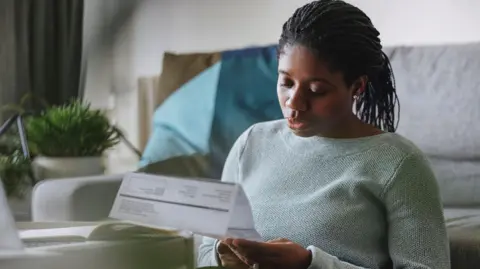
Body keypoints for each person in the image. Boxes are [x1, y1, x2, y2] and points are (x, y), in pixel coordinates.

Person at [198, 0, 450, 268]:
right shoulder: (251, 143)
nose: (294, 103)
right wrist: (220, 257)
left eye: (317, 90)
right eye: (286, 83)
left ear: (357, 87)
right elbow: (203, 251)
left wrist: (309, 264)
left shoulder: (400, 164)